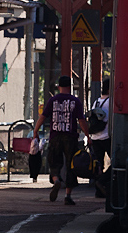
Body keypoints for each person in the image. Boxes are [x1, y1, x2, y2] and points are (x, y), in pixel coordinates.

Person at [32, 75, 90, 206]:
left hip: (55, 136)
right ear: (71, 87)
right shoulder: (76, 101)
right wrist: (88, 135)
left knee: (54, 162)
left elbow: (42, 117)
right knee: (71, 165)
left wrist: (35, 131)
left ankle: (56, 179)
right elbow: (81, 121)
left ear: (59, 87)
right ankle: (68, 196)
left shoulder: (53, 100)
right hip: (70, 137)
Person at [88, 79, 111, 198]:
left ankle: (98, 191)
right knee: (116, 161)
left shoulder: (96, 101)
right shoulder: (110, 101)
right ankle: (102, 181)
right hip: (106, 136)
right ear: (109, 88)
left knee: (99, 163)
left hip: (95, 137)